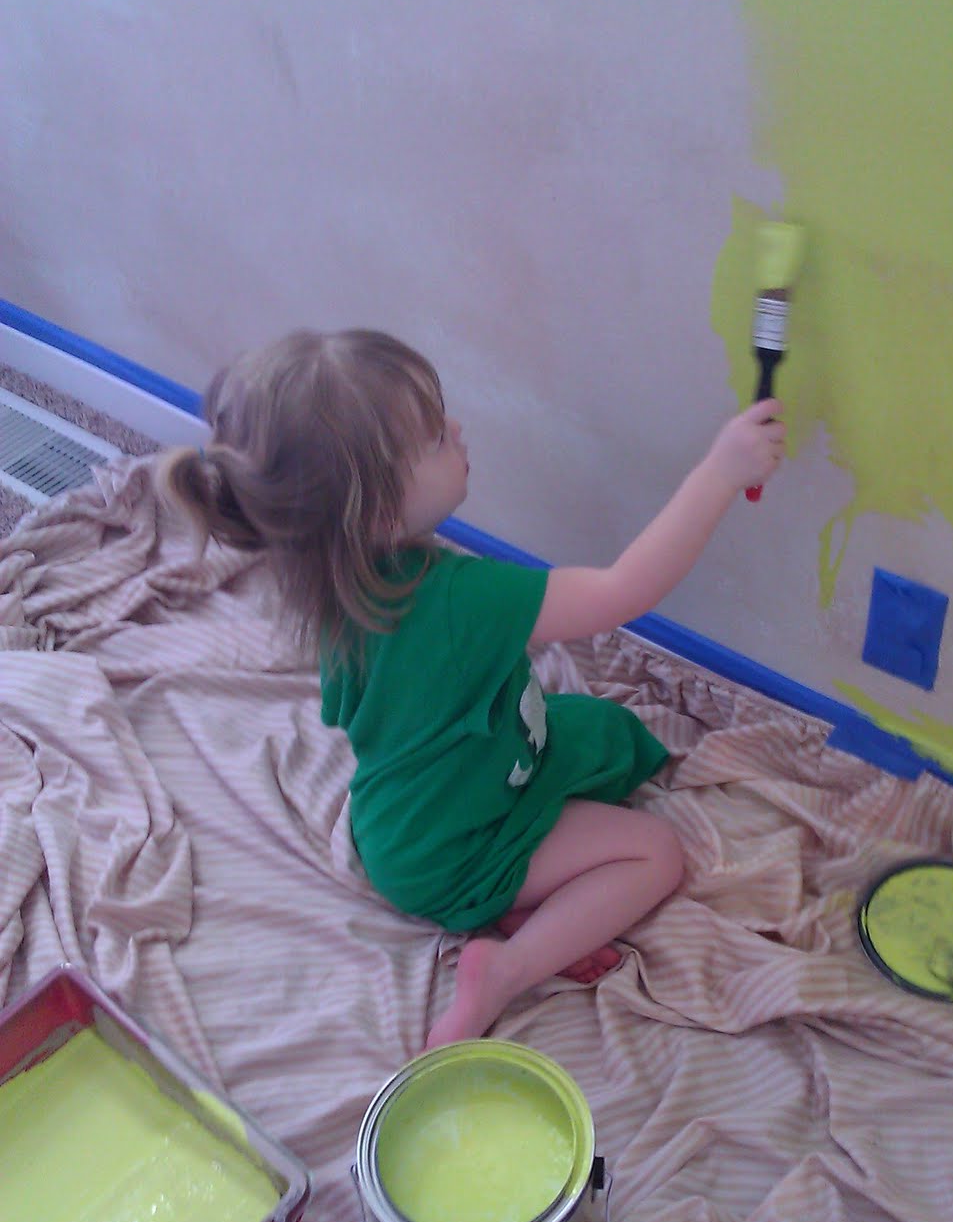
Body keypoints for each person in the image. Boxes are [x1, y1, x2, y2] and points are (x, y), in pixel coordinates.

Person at [159, 329, 785, 1047]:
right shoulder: (460, 600)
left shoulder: (331, 578)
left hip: (416, 813)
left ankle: (515, 904)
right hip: (452, 849)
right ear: (376, 512)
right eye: (433, 437)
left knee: (612, 736)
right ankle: (504, 968)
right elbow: (622, 591)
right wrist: (719, 472)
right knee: (654, 852)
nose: (457, 429)